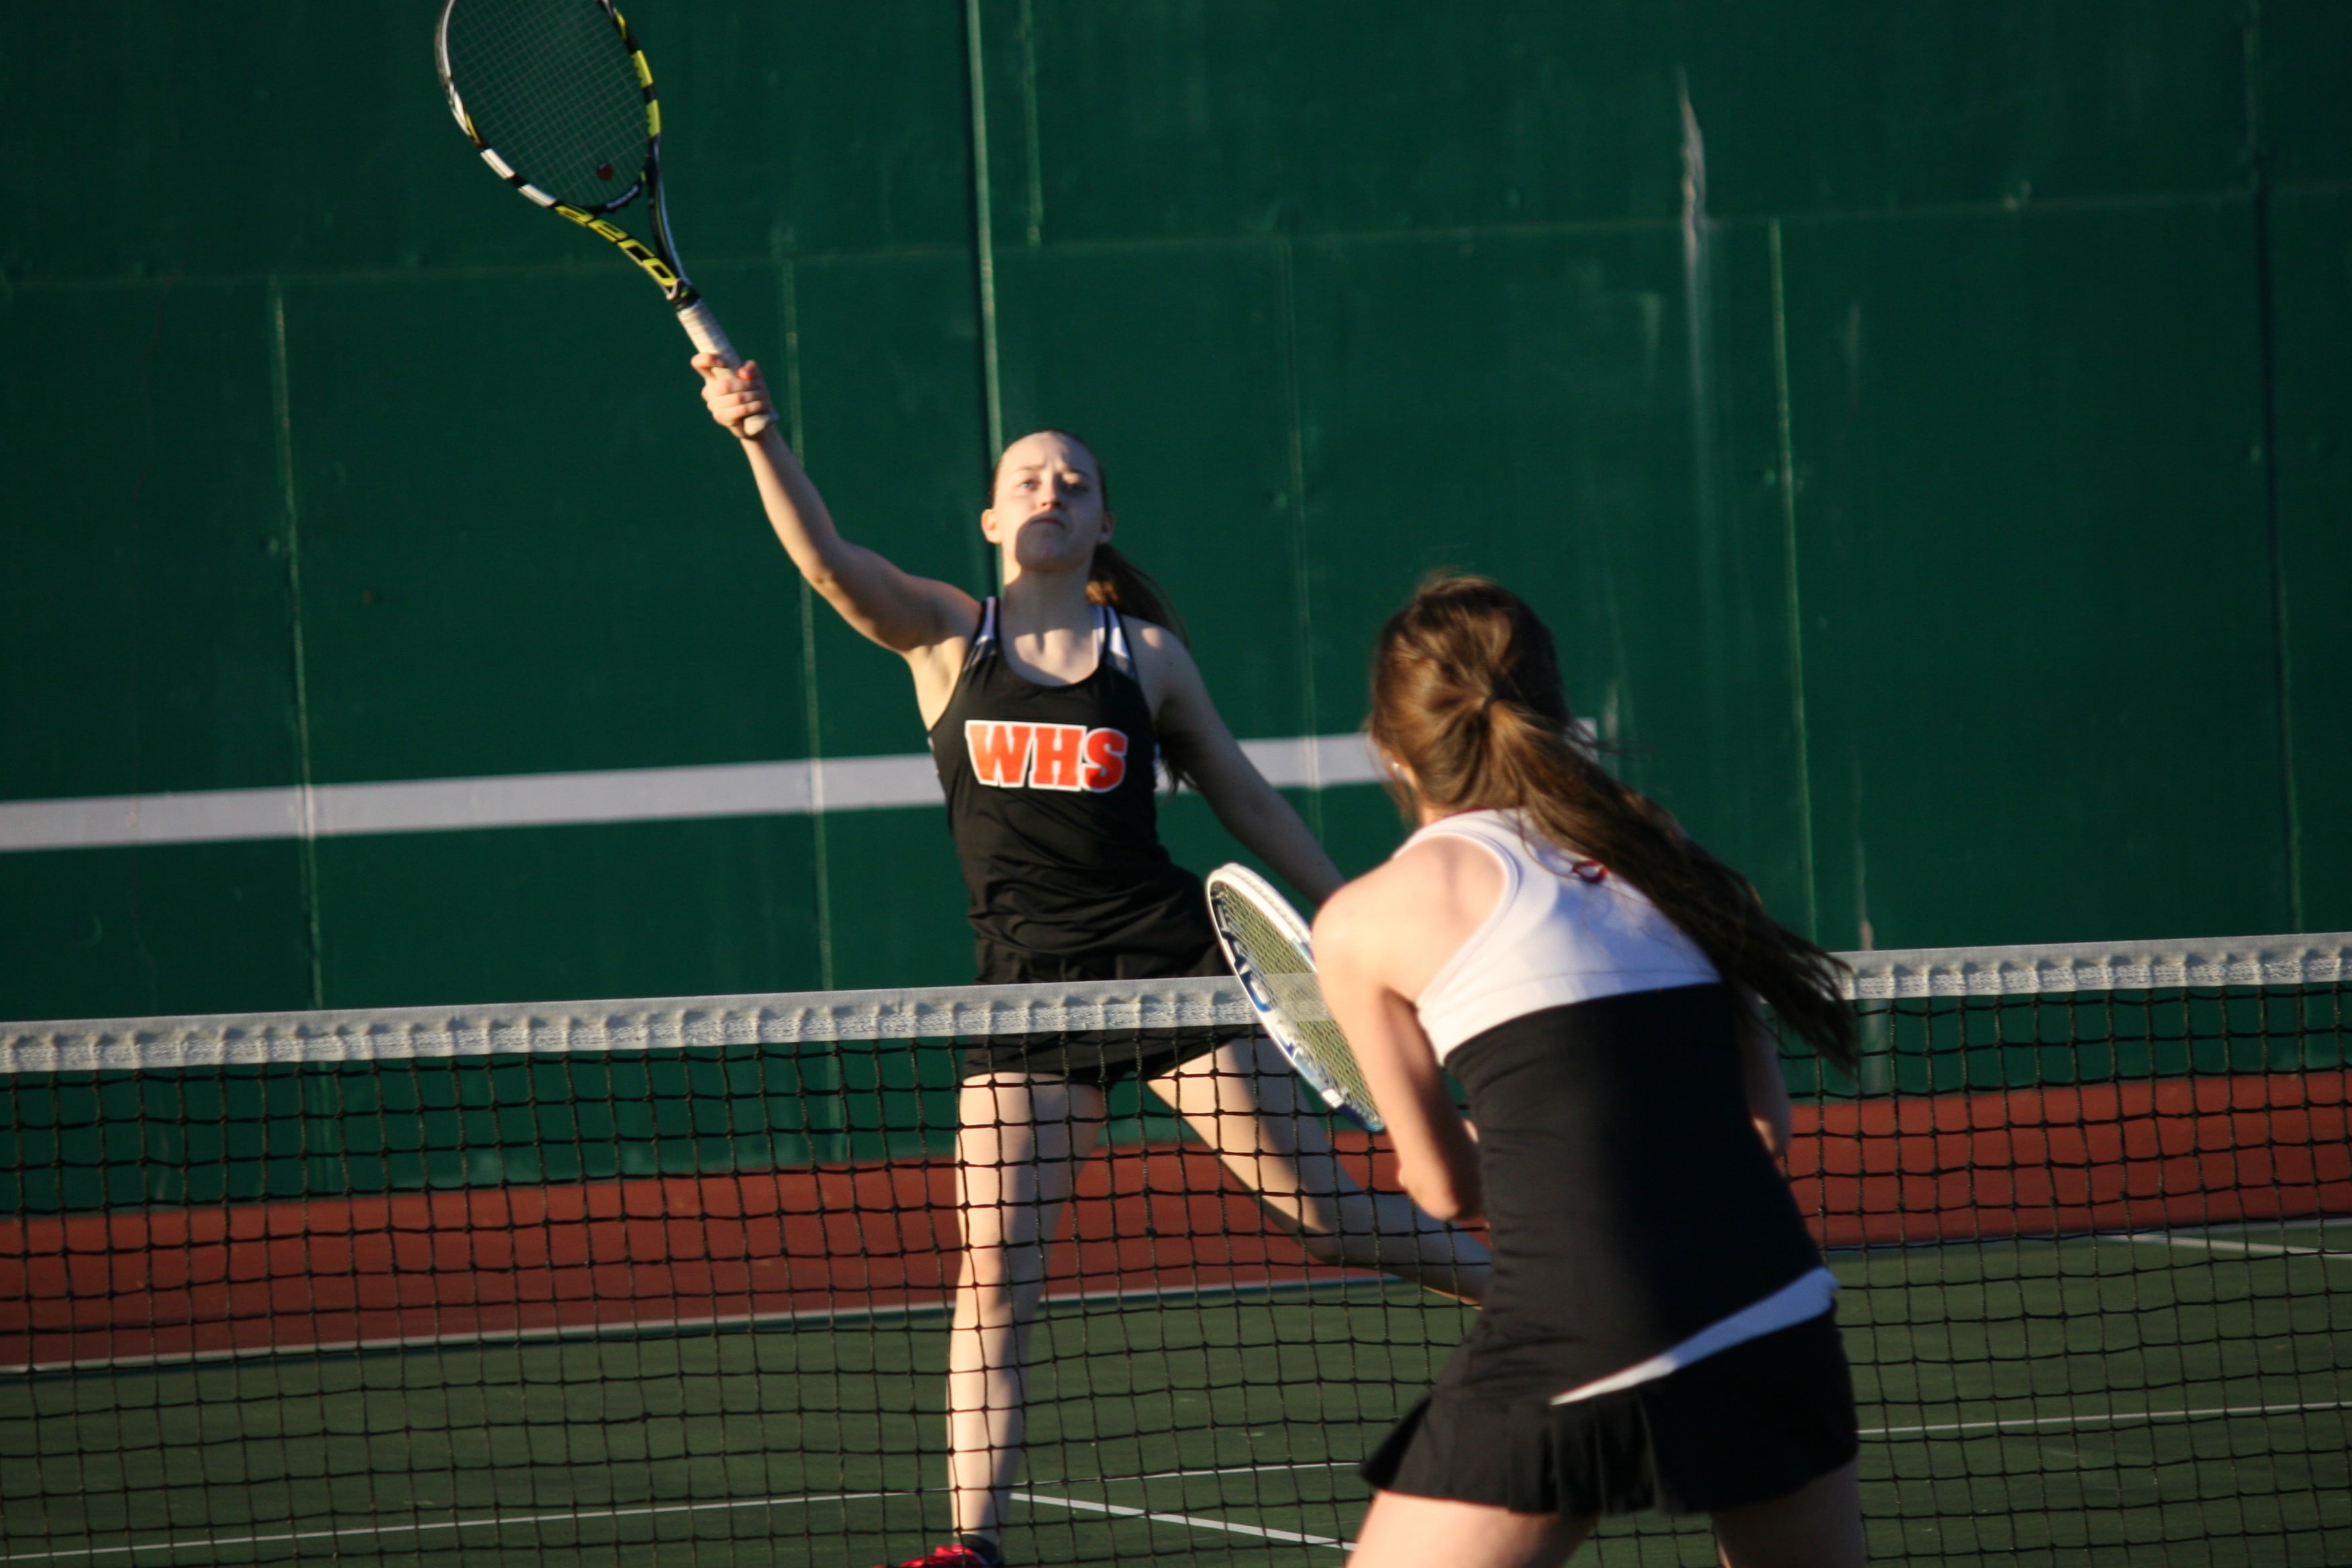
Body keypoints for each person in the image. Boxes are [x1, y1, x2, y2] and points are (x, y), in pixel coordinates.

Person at [691, 356, 1491, 1568]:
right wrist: (758, 435)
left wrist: (1356, 921)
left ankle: (1546, 1294)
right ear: (995, 520)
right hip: (1024, 995)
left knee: (1327, 1217)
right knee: (993, 1279)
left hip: (1171, 974)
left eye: (1074, 480)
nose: (1050, 491)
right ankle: (972, 1547)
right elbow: (827, 565)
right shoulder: (950, 639)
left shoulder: (1148, 657)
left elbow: (1247, 801)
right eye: (1028, 478)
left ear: (1103, 520)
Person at [1312, 577, 1867, 1568]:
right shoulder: (1655, 843)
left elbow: (1445, 1189)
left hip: (1582, 1327)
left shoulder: (1365, 917)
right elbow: (1763, 1127)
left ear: (1389, 750)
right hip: (1780, 1305)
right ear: (1556, 717)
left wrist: (1502, 1144)